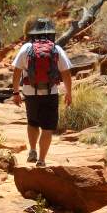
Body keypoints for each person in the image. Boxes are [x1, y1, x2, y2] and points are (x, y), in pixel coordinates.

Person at [11, 18, 72, 167]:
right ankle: (41, 160)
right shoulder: (56, 49)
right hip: (50, 93)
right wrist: (69, 93)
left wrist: (15, 92)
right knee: (47, 128)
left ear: (33, 34)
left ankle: (32, 150)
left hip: (30, 94)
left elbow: (17, 71)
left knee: (32, 122)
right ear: (51, 34)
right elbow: (66, 73)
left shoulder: (26, 48)